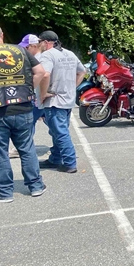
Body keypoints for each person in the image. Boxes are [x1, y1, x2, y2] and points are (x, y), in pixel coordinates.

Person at [0, 24, 47, 202]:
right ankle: (36, 186)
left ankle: (4, 193)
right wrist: (28, 89)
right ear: (2, 34)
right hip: (23, 106)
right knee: (26, 148)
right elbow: (40, 72)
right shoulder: (20, 51)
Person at [37, 31, 86, 174]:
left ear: (46, 42)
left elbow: (45, 74)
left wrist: (43, 93)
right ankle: (55, 158)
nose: (39, 45)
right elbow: (82, 71)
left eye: (40, 42)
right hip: (68, 99)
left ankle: (70, 162)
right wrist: (73, 87)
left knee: (60, 132)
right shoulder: (69, 53)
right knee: (57, 131)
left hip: (54, 100)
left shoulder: (47, 55)